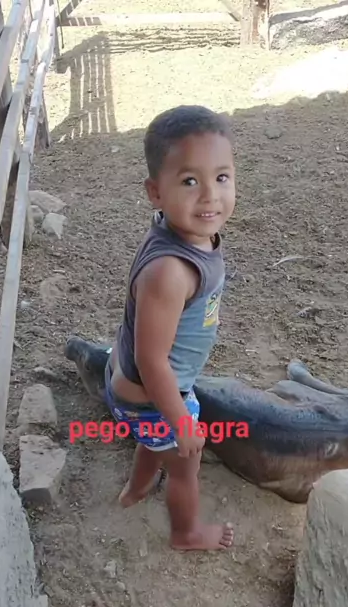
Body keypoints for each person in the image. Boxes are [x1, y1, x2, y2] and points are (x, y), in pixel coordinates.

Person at [104, 104, 236, 551]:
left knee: (154, 443)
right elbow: (151, 359)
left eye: (222, 177)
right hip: (153, 394)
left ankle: (136, 489)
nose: (210, 196)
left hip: (154, 392)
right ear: (155, 192)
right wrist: (181, 422)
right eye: (189, 181)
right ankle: (186, 532)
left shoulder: (189, 233)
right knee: (185, 465)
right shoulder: (170, 272)